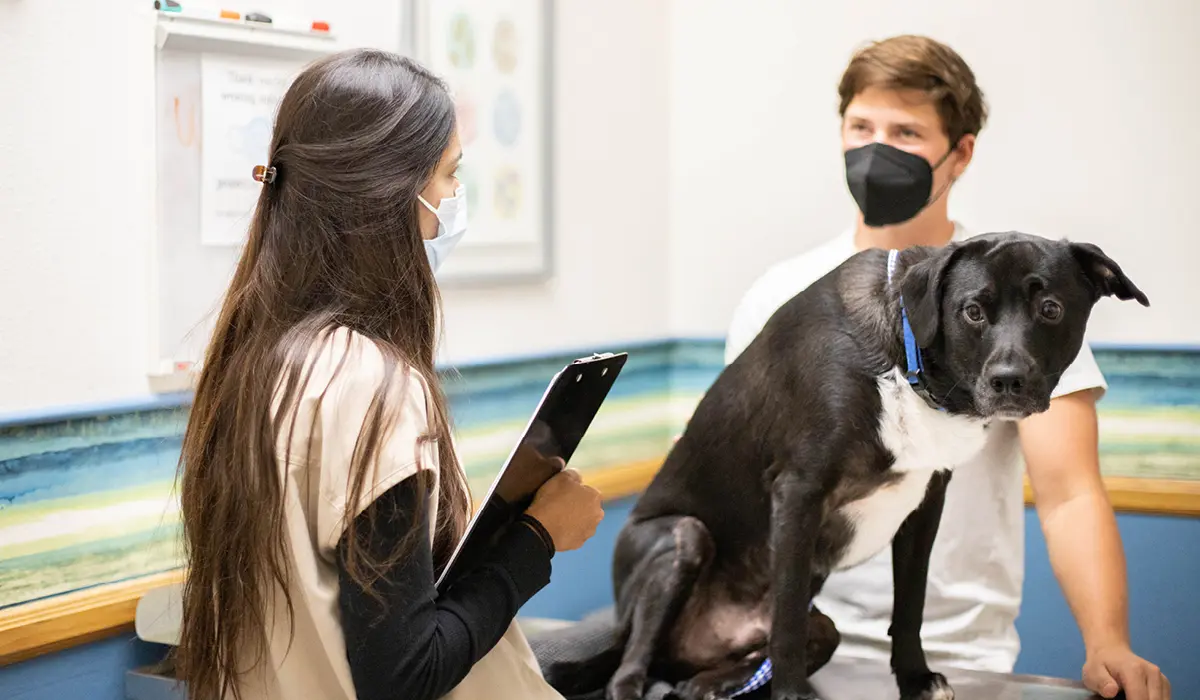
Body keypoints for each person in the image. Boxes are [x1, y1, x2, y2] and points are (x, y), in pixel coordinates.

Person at [724, 35, 1169, 700]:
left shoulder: (1026, 295)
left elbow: (1069, 494)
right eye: (860, 127)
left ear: (959, 153)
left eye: (905, 131)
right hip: (797, 645)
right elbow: (744, 479)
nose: (875, 151)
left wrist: (1108, 643)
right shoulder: (778, 297)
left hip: (957, 657)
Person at [173, 49, 604, 700]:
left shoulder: (251, 363)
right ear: (392, 196)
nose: (454, 200)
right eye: (450, 176)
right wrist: (538, 538)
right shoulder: (370, 386)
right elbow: (403, 676)